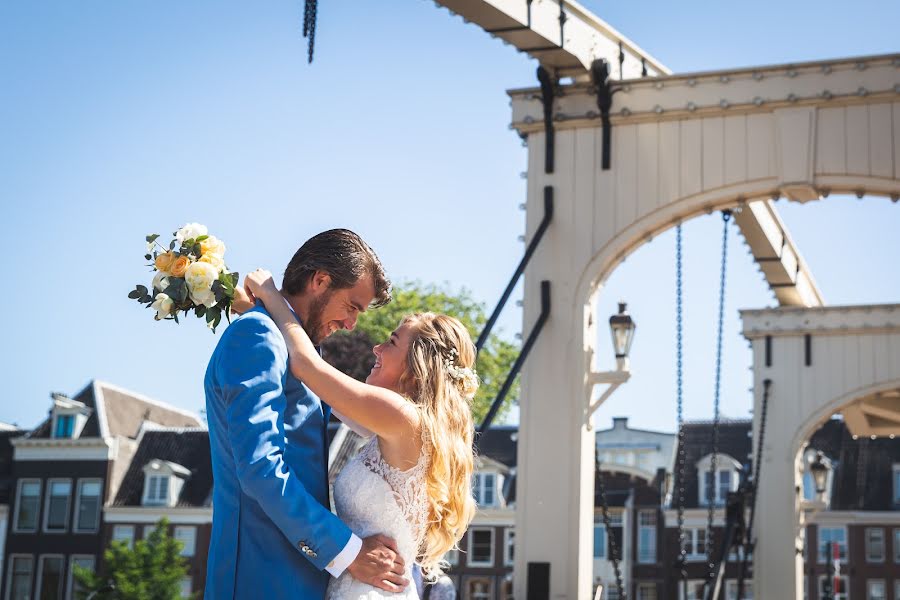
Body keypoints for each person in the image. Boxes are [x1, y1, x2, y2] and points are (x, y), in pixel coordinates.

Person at [243, 266, 477, 599]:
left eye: (392, 343)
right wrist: (256, 312)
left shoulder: (401, 417)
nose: (377, 349)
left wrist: (271, 294)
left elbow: (308, 368)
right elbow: (318, 390)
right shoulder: (404, 426)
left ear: (416, 366)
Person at [204, 229, 408, 599]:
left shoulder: (286, 345)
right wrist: (349, 553)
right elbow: (260, 467)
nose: (352, 325)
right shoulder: (257, 336)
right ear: (320, 280)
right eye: (352, 306)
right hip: (259, 578)